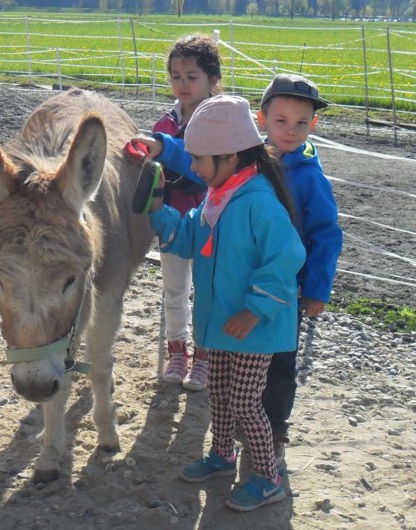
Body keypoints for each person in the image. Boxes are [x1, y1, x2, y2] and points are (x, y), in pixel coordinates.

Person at [146, 95, 305, 512]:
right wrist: (157, 208)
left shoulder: (258, 202)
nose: (194, 168)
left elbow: (286, 257)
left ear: (231, 156)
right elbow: (186, 237)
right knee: (217, 393)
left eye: (200, 159)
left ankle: (268, 478)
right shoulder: (216, 198)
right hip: (219, 323)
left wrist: (255, 308)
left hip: (257, 328)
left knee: (245, 403)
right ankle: (222, 455)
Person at [256, 73, 342, 466]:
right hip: (250, 279)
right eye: (281, 121)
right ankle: (248, 415)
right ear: (262, 119)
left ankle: (274, 426)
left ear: (314, 125)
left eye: (301, 123)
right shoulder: (249, 163)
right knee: (247, 353)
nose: (291, 131)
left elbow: (326, 234)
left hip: (289, 290)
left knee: (282, 360)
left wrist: (318, 289)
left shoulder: (310, 177)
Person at [127, 34, 221, 391]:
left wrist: (165, 149)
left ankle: (205, 358)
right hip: (171, 222)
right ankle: (177, 353)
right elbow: (155, 175)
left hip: (213, 224)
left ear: (212, 79)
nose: (182, 83)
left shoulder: (219, 122)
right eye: (176, 75)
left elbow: (203, 168)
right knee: (174, 291)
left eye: (192, 76)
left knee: (209, 292)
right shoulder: (163, 124)